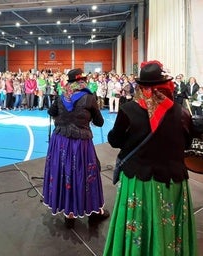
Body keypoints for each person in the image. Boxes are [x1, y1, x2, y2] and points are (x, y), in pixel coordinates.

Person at [103, 60, 198, 256]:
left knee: (139, 224)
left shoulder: (129, 110)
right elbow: (186, 145)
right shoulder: (182, 113)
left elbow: (114, 140)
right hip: (172, 181)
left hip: (140, 180)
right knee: (169, 225)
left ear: (141, 86)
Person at [42, 68, 109, 229]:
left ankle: (69, 214)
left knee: (64, 173)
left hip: (60, 142)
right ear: (82, 81)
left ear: (69, 82)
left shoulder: (61, 96)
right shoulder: (89, 98)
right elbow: (99, 122)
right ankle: (94, 211)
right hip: (80, 143)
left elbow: (51, 112)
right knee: (85, 174)